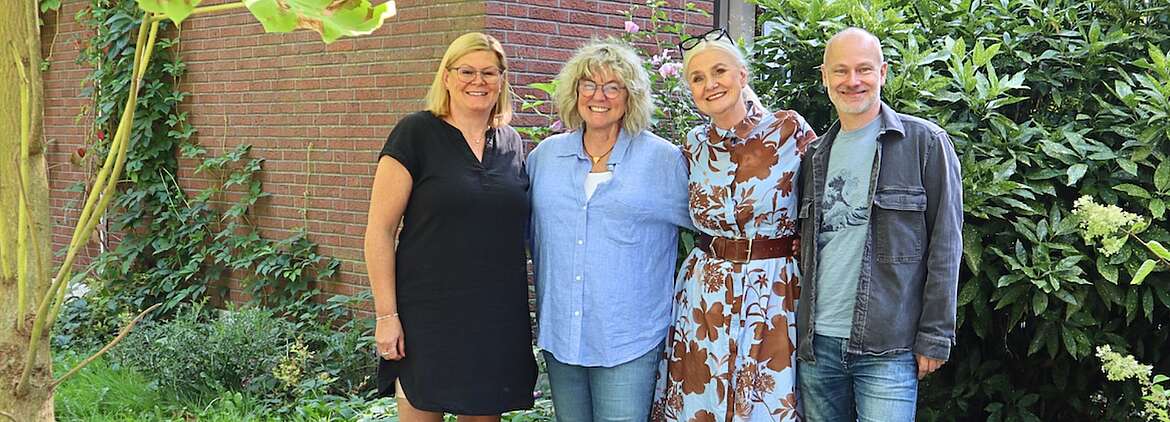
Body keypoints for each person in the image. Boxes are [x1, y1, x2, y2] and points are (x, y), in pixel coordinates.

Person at [364, 32, 536, 421]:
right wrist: (386, 316)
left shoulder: (511, 143)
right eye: (466, 71)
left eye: (489, 72)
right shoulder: (415, 134)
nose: (478, 81)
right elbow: (379, 231)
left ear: (502, 80)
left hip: (494, 318)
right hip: (426, 317)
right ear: (446, 76)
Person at [795, 27, 964, 422]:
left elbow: (946, 246)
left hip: (889, 346)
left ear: (883, 73)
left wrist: (935, 335)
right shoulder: (813, 155)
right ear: (825, 77)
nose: (852, 81)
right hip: (817, 346)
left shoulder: (925, 143)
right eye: (840, 71)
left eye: (864, 69)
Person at [652, 29, 817, 421]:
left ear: (742, 75)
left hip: (772, 291)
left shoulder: (788, 129)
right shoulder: (693, 145)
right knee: (702, 400)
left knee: (765, 402)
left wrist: (804, 241)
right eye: (697, 78)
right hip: (705, 294)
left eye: (719, 71)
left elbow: (822, 198)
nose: (710, 84)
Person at [527, 38, 691, 421]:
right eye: (589, 84)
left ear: (630, 96)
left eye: (613, 86)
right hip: (562, 336)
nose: (599, 96)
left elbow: (711, 228)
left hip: (629, 339)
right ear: (575, 91)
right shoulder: (544, 158)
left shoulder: (663, 160)